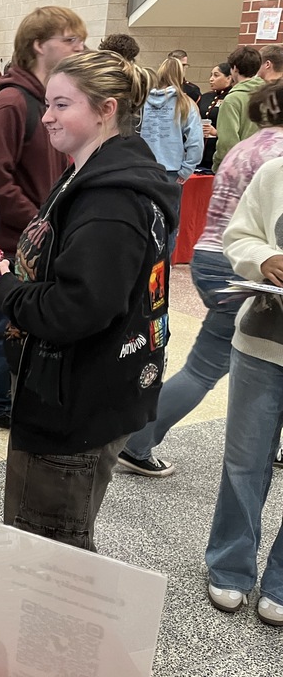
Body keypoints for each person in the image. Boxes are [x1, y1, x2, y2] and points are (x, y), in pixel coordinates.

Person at [0, 50, 177, 550]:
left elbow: (78, 308)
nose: (46, 116)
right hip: (82, 389)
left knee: (47, 553)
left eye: (61, 105)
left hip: (75, 403)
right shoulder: (89, 173)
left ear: (106, 109)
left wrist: (6, 289)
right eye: (47, 103)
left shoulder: (109, 199)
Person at [120, 81, 283, 477]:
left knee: (207, 363)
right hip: (245, 266)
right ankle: (138, 442)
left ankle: (138, 440)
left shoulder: (247, 146)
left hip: (210, 256)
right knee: (206, 368)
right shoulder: (278, 154)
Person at [0, 5, 87, 429]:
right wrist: (41, 226)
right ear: (38, 45)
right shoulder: (11, 102)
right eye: (69, 39)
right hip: (15, 243)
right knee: (7, 328)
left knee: (8, 327)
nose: (79, 47)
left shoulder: (43, 100)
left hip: (32, 238)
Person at [204, 154, 283, 626]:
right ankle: (230, 566)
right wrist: (264, 258)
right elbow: (238, 235)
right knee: (244, 463)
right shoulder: (275, 171)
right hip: (262, 340)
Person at [138, 57, 202, 256]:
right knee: (169, 221)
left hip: (142, 167)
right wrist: (187, 168)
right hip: (171, 172)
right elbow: (196, 142)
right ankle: (163, 265)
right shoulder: (186, 104)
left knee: (142, 217)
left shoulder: (142, 102)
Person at [214, 46, 264, 170]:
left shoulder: (233, 99)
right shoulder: (270, 94)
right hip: (264, 163)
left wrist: (218, 164)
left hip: (238, 167)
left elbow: (227, 141)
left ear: (234, 68)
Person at [196, 61, 233, 172]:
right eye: (211, 75)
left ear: (229, 78)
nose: (211, 79)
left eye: (216, 75)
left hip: (217, 152)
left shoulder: (232, 98)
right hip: (201, 150)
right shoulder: (206, 97)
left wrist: (216, 132)